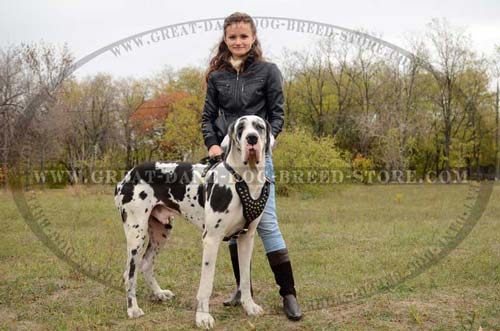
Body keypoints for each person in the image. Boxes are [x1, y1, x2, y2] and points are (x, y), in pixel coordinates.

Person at [201, 12, 302, 321]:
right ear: (225, 40)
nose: (239, 41)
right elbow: (208, 117)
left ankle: (289, 294)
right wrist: (213, 144)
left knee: (266, 223)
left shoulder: (269, 72)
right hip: (226, 161)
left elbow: (277, 114)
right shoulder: (216, 77)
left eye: (244, 36)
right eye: (233, 37)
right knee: (230, 228)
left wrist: (267, 145)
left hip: (258, 157)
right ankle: (242, 290)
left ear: (253, 38)